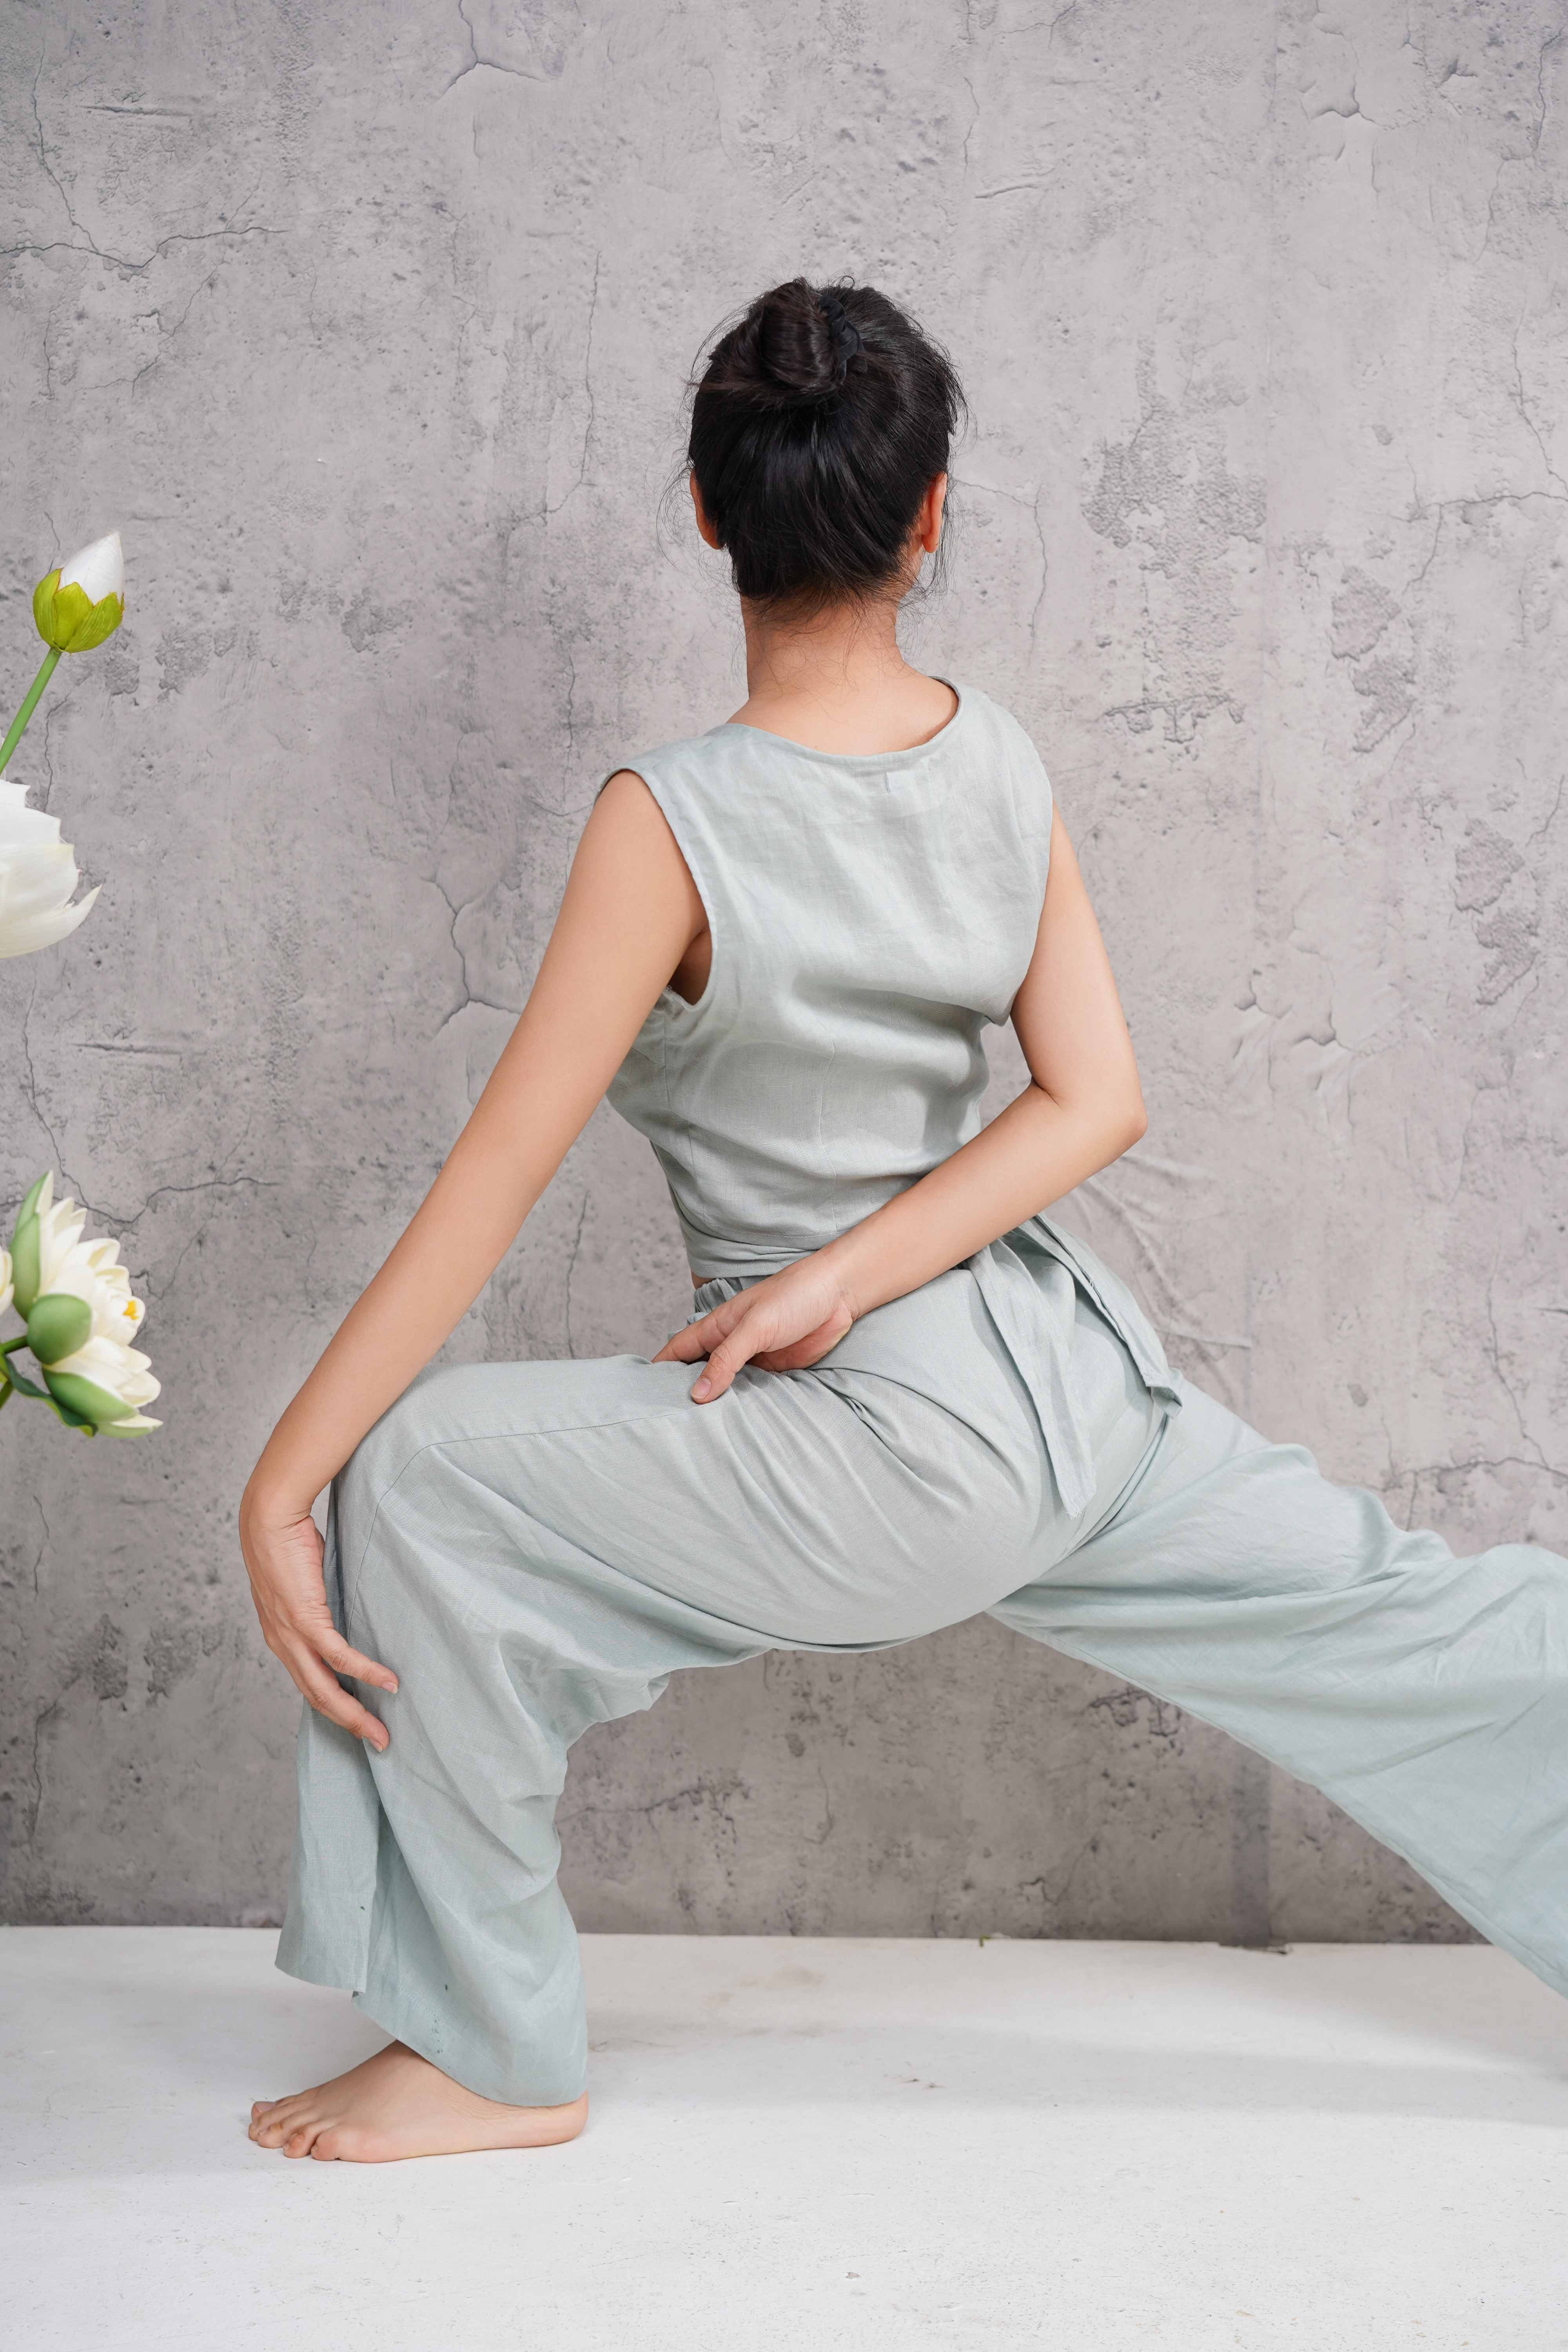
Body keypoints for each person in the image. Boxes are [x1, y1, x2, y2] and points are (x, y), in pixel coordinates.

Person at [240, 276, 1567, 2165]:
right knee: (1399, 1613)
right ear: (929, 514)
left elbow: (495, 1175)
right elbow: (1095, 1099)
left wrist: (284, 1478)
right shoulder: (993, 754)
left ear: (706, 513)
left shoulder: (664, 823)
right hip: (1067, 1391)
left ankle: (491, 2053)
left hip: (887, 1448)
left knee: (421, 1480)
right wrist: (866, 1272)